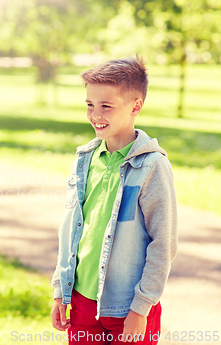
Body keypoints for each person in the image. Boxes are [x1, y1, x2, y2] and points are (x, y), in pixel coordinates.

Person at [50, 56, 178, 345]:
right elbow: (70, 229)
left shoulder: (152, 166)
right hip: (82, 301)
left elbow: (164, 243)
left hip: (129, 306)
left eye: (106, 106)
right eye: (90, 105)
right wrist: (61, 289)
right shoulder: (84, 160)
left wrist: (141, 308)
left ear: (135, 106)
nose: (96, 114)